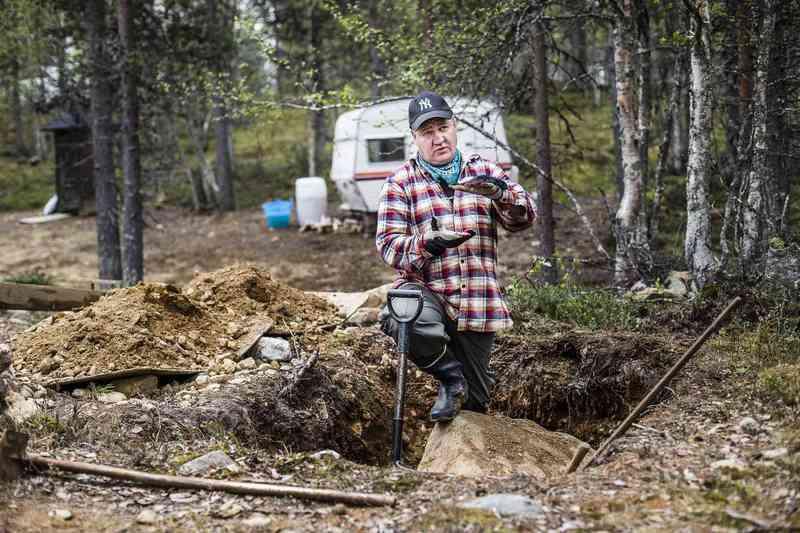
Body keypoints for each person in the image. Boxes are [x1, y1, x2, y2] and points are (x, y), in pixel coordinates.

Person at [376, 91, 536, 422]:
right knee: (399, 315)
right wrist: (427, 243)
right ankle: (449, 375)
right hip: (427, 290)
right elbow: (389, 246)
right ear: (414, 138)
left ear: (455, 127)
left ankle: (458, 454)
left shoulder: (484, 170)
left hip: (477, 298)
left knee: (475, 404)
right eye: (427, 132)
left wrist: (501, 194)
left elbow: (524, 218)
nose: (438, 139)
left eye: (443, 128)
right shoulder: (400, 184)